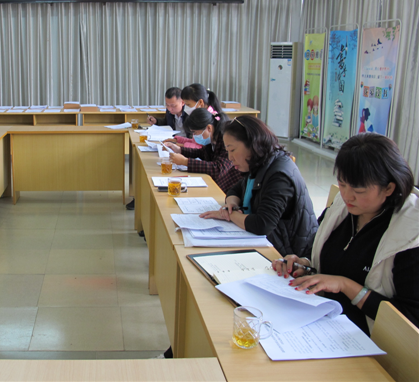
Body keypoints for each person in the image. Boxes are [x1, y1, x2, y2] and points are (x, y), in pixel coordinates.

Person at [273, 133, 419, 335]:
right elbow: (322, 253)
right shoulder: (343, 208)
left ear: (389, 188)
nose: (347, 195)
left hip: (366, 339)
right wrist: (304, 265)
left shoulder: (410, 234)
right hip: (321, 320)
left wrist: (345, 285)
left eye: (359, 191)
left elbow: (410, 319)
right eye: (342, 184)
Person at [199, 115, 317, 257]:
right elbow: (236, 189)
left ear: (252, 144)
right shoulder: (260, 164)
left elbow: (262, 225)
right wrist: (232, 205)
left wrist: (230, 215)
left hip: (288, 254)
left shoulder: (279, 175)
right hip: (268, 242)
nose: (230, 158)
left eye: (232, 150)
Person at [164, 107, 243, 193]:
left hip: (228, 188)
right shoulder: (212, 138)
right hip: (216, 183)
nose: (194, 136)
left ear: (209, 128)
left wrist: (185, 162)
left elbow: (218, 169)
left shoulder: (226, 140)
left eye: (195, 132)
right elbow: (202, 153)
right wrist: (180, 150)